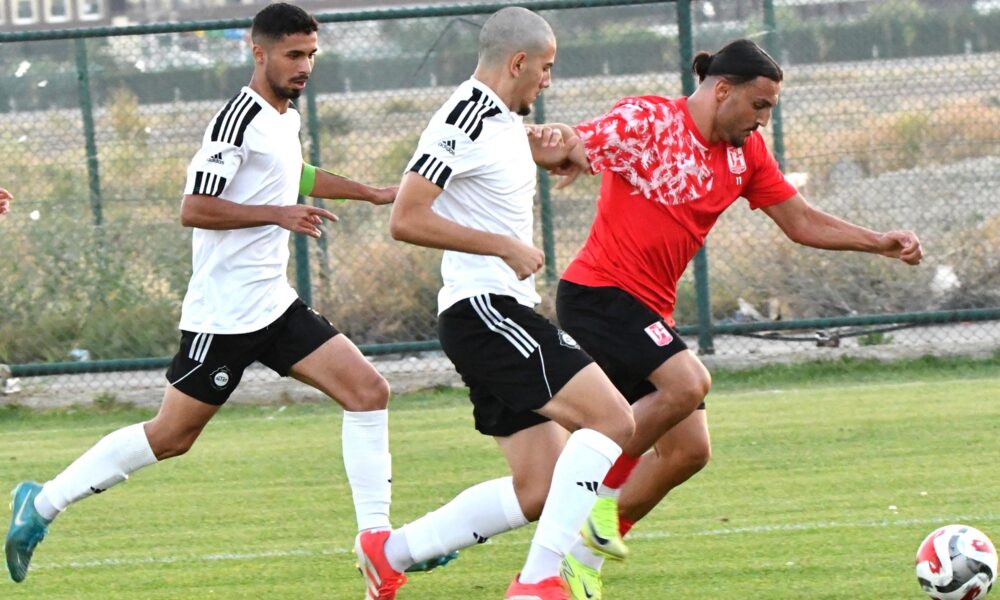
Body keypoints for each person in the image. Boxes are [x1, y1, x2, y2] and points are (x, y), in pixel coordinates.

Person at [4, 3, 401, 584]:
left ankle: (378, 545)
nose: (304, 66)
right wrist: (278, 214)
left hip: (273, 303)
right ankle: (41, 504)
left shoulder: (283, 117)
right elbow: (195, 207)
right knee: (171, 437)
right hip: (225, 316)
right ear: (258, 52)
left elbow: (292, 172)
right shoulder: (234, 121)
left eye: (311, 55)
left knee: (368, 391)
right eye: (293, 54)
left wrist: (371, 192)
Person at [528, 38, 924, 599]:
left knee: (689, 452)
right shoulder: (649, 120)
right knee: (687, 382)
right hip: (599, 294)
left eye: (770, 109)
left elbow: (801, 221)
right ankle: (590, 490)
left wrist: (878, 242)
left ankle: (580, 559)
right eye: (759, 105)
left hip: (646, 310)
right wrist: (554, 144)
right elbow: (578, 140)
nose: (763, 120)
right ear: (721, 90)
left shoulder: (747, 154)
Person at [352, 8, 636, 600]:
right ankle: (538, 582)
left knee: (541, 487)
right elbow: (407, 217)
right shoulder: (465, 116)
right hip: (485, 312)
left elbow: (495, 162)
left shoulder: (500, 119)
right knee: (612, 418)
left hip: (492, 313)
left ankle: (391, 552)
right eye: (546, 68)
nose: (548, 80)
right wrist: (502, 245)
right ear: (518, 62)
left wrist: (551, 148)